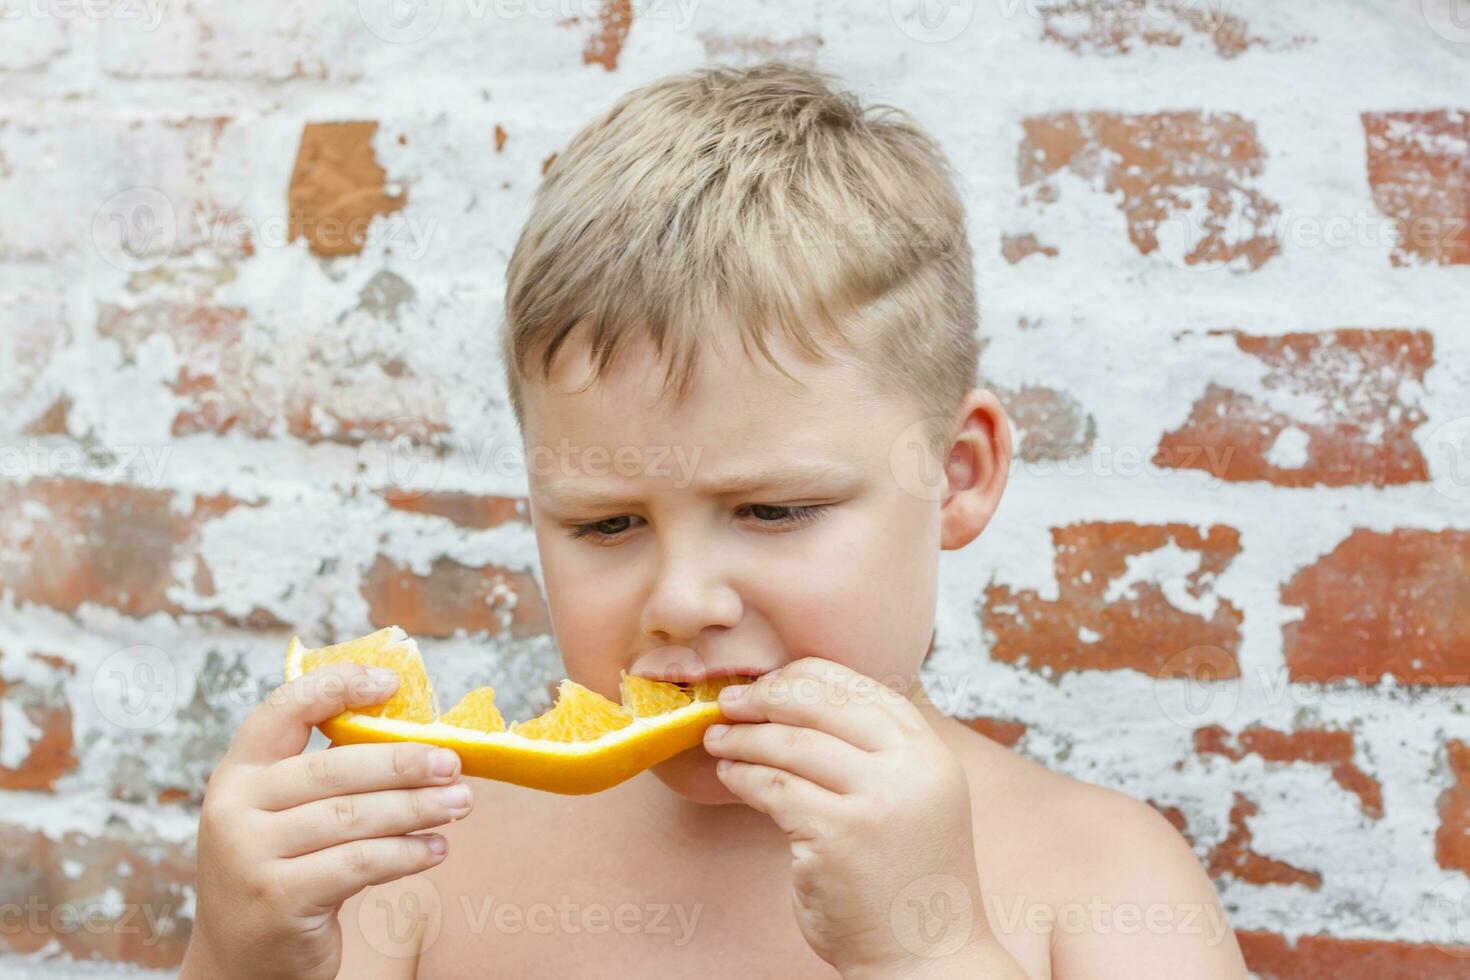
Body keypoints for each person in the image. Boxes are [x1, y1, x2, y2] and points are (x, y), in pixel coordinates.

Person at [183, 62, 1247, 979]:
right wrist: (240, 956)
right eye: (605, 524)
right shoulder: (416, 861)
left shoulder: (1101, 875)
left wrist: (932, 949)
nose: (683, 598)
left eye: (775, 507)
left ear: (956, 475)